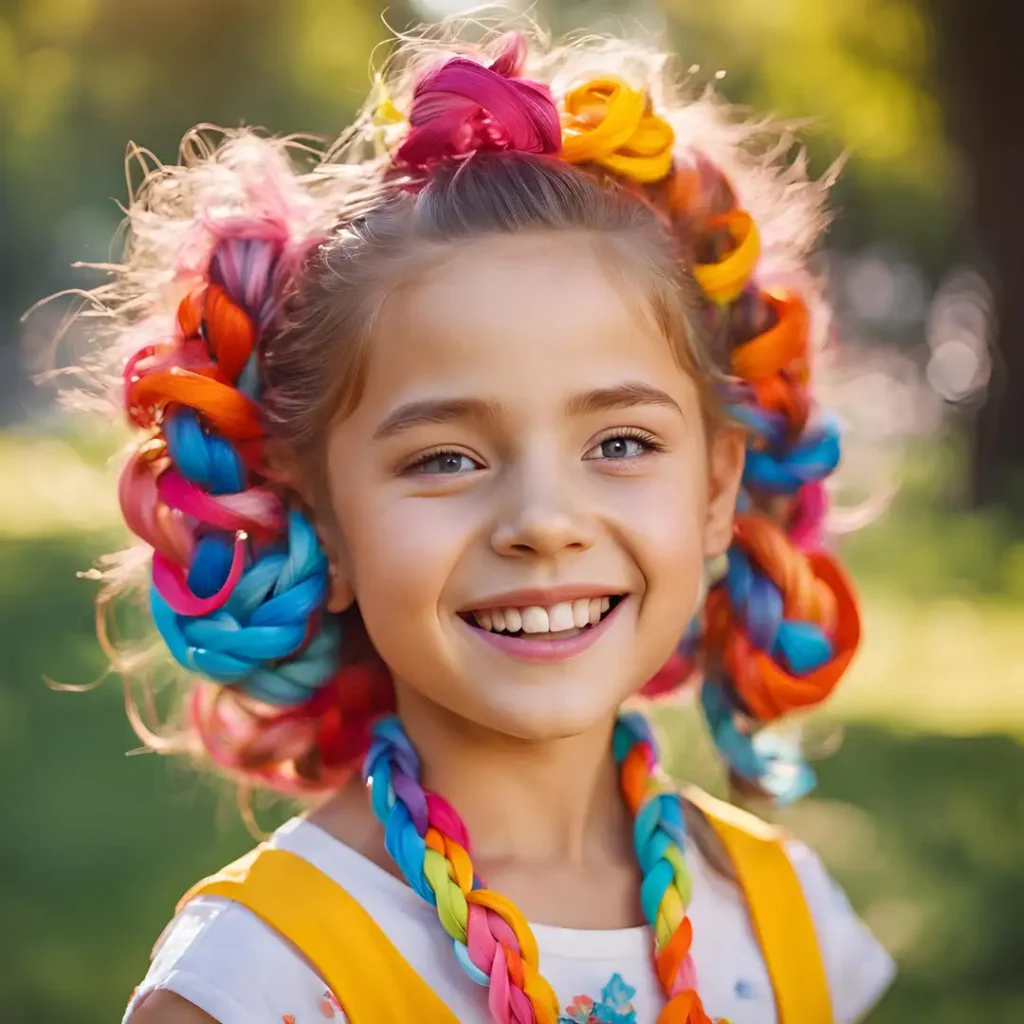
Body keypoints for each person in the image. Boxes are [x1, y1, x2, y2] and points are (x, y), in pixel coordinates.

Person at [66, 19, 893, 1024]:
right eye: (444, 458)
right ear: (319, 522)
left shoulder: (789, 926)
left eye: (620, 443)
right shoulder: (256, 980)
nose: (544, 521)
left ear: (716, 491)